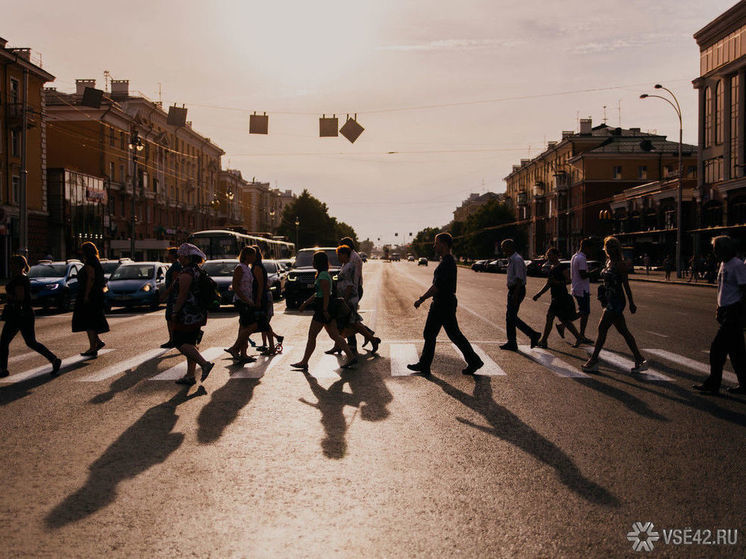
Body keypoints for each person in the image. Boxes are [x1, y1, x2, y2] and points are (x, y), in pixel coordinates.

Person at [407, 232, 483, 376]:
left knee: (430, 333)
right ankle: (474, 361)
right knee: (453, 334)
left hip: (442, 302)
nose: (434, 245)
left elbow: (437, 286)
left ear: (443, 244)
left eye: (436, 242)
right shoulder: (447, 261)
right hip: (445, 302)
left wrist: (422, 299)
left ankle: (425, 365)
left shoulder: (447, 262)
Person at [582, 236, 646, 373]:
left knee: (602, 327)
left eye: (612, 247)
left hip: (617, 301)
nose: (610, 249)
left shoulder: (620, 264)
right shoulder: (608, 262)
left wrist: (631, 303)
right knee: (623, 331)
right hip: (609, 299)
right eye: (608, 246)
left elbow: (626, 285)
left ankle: (593, 360)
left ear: (617, 249)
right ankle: (640, 359)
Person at [693, 236, 746, 395]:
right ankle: (744, 384)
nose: (714, 252)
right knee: (737, 353)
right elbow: (723, 289)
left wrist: (741, 314)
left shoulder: (737, 265)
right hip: (726, 311)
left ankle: (713, 384)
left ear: (725, 249)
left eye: (716, 249)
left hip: (734, 312)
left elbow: (744, 290)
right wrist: (719, 307)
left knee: (717, 350)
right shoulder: (724, 263)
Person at [291, 251, 357, 371]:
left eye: (314, 260)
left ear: (318, 262)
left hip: (323, 308)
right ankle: (351, 356)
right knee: (335, 335)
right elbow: (318, 293)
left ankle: (304, 362)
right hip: (324, 307)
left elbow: (326, 294)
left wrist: (325, 310)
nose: (312, 262)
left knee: (312, 336)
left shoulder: (323, 276)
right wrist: (305, 303)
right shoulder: (323, 274)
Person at [0, 255, 61, 378]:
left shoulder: (19, 279)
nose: (10, 266)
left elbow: (20, 297)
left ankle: (3, 369)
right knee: (30, 342)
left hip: (18, 315)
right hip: (24, 314)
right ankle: (53, 359)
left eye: (12, 264)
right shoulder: (22, 278)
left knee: (5, 342)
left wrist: (8, 297)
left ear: (18, 266)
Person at [172, 243, 215, 385]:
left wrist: (175, 312)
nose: (179, 259)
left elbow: (182, 295)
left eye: (181, 256)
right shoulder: (197, 270)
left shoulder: (187, 273)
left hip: (187, 314)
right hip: (198, 312)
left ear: (188, 257)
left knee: (179, 342)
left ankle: (205, 364)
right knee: (190, 343)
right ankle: (190, 375)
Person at [533, 248, 583, 348]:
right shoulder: (551, 268)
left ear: (556, 256)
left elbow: (569, 281)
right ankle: (578, 337)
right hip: (555, 297)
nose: (549, 257)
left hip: (562, 297)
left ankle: (544, 341)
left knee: (551, 318)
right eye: (548, 255)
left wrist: (558, 283)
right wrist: (538, 294)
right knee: (563, 320)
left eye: (551, 255)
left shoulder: (562, 267)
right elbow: (548, 284)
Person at [335, 245, 380, 352]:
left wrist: (345, 300)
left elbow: (349, 285)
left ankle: (372, 339)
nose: (338, 257)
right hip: (346, 298)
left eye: (339, 255)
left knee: (353, 323)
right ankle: (371, 338)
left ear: (345, 255)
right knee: (352, 323)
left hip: (349, 299)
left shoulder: (349, 267)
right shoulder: (344, 265)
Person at [499, 239, 540, 351]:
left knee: (511, 317)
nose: (502, 250)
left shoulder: (516, 260)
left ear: (510, 247)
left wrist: (515, 295)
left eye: (504, 247)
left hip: (517, 290)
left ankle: (532, 335)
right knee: (510, 317)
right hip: (513, 290)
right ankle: (512, 342)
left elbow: (519, 279)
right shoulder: (512, 259)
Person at [72, 241, 109, 357]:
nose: (80, 252)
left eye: (82, 250)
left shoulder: (90, 262)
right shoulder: (95, 261)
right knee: (92, 320)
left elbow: (91, 278)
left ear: (86, 251)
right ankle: (97, 342)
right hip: (96, 295)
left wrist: (86, 295)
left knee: (89, 321)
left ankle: (93, 347)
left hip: (91, 295)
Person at [224, 246, 259, 363]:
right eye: (253, 255)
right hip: (242, 301)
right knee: (252, 325)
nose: (254, 257)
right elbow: (235, 286)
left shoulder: (247, 268)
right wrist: (246, 300)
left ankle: (243, 353)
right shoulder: (240, 268)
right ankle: (234, 348)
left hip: (247, 300)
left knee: (244, 327)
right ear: (247, 256)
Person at [558, 238, 593, 344]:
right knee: (584, 312)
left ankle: (568, 327)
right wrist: (594, 272)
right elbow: (583, 274)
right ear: (586, 247)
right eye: (590, 249)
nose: (591, 251)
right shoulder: (582, 258)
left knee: (584, 311)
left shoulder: (574, 256)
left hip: (577, 287)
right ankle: (573, 330)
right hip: (582, 289)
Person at [160, 247, 182, 348]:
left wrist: (165, 294)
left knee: (170, 317)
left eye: (169, 253)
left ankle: (173, 340)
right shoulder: (174, 265)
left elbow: (174, 282)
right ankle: (173, 339)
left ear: (173, 255)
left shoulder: (176, 266)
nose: (167, 255)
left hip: (174, 296)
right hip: (173, 296)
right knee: (170, 318)